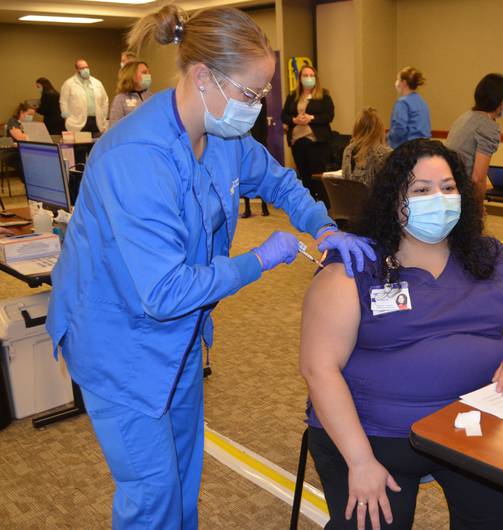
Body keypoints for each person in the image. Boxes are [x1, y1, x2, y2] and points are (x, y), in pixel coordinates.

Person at [45, 5, 375, 528]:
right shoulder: (138, 157)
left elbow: (279, 181)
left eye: (261, 94)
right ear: (203, 78)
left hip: (179, 337)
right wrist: (258, 259)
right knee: (152, 493)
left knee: (182, 476)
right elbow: (166, 291)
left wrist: (323, 225)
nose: (257, 107)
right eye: (249, 93)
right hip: (121, 342)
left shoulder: (222, 137)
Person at [300, 139, 503, 530]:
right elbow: (319, 369)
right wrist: (359, 461)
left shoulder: (489, 257)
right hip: (373, 435)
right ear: (393, 200)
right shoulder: (355, 266)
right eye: (421, 190)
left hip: (474, 429)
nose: (438, 199)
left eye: (448, 187)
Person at [446, 73, 503, 200]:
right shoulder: (489, 126)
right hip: (461, 194)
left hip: (447, 188)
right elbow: (478, 178)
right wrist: (479, 209)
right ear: (501, 101)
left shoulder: (465, 116)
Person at [281, 64, 334, 200]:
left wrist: (312, 118)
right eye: (305, 75)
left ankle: (321, 203)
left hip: (317, 142)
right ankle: (308, 203)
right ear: (300, 78)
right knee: (304, 177)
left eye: (311, 75)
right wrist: (295, 120)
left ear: (316, 78)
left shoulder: (324, 95)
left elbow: (329, 116)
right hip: (297, 141)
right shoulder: (293, 96)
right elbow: (284, 115)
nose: (308, 78)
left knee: (316, 176)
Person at [341, 107, 392, 187]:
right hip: (374, 199)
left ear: (356, 128)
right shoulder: (385, 154)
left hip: (350, 198)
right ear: (380, 129)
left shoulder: (348, 151)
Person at [59, 58, 109, 135]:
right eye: (82, 68)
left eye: (87, 67)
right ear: (76, 69)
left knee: (95, 145)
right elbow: (63, 102)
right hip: (77, 122)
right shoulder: (69, 84)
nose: (85, 70)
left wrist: (104, 116)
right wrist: (67, 118)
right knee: (81, 145)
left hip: (96, 121)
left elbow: (105, 101)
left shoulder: (97, 83)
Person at [387, 67, 431, 149]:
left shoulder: (402, 103)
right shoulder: (422, 101)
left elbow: (399, 130)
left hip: (407, 150)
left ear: (404, 83)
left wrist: (387, 140)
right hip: (424, 148)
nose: (396, 83)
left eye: (398, 79)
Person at [242, 95, 270, 218]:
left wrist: (261, 143)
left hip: (259, 140)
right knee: (245, 174)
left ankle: (264, 206)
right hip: (243, 139)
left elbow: (263, 122)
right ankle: (247, 208)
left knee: (261, 174)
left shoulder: (260, 98)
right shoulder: (240, 96)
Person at [108, 60, 153, 125]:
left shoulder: (151, 96)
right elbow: (114, 127)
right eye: (144, 72)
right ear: (132, 76)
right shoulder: (120, 99)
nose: (149, 75)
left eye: (149, 72)